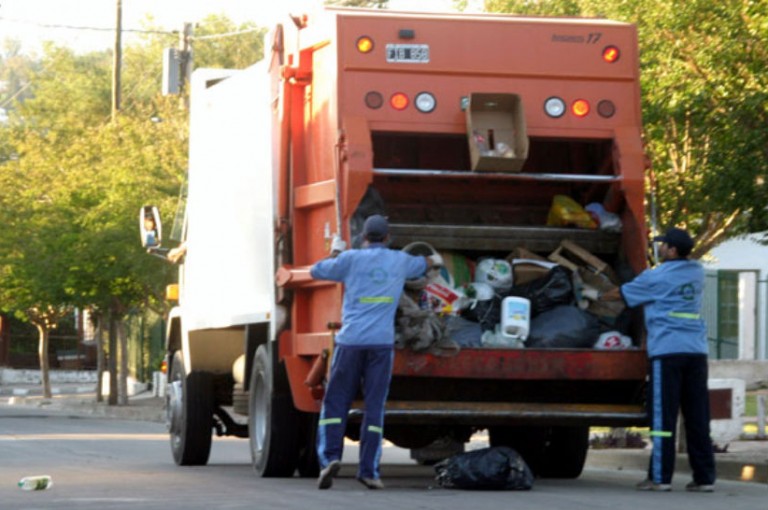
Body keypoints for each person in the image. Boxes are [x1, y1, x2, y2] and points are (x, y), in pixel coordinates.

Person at [310, 215, 436, 490]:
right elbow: (424, 265)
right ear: (388, 237)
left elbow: (317, 271)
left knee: (335, 404)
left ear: (364, 238)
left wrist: (335, 252)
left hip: (350, 343)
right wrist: (432, 260)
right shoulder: (399, 261)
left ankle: (329, 458)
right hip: (381, 345)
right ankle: (369, 471)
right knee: (374, 407)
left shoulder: (350, 259)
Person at [602, 227, 716, 492]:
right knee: (697, 416)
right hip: (696, 352)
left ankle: (660, 477)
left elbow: (622, 294)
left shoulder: (656, 277)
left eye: (663, 245)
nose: (660, 248)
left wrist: (595, 295)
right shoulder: (697, 272)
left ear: (673, 250)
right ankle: (704, 478)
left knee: (663, 419)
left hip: (667, 352)